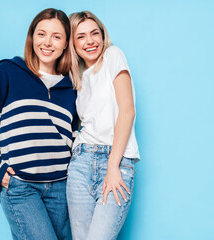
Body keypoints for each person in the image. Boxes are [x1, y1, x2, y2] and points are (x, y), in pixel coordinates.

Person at [0, 8, 77, 240]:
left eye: (56, 36)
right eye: (41, 34)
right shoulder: (8, 72)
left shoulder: (71, 88)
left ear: (65, 44)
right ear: (32, 38)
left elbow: (73, 136)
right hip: (20, 184)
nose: (47, 42)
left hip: (61, 187)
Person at [66, 11, 140, 240]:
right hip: (80, 164)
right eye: (81, 36)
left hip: (116, 162)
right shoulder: (77, 76)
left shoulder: (113, 55)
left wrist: (112, 167)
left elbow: (127, 111)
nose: (90, 41)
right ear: (73, 44)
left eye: (94, 33)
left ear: (102, 35)